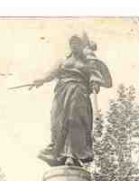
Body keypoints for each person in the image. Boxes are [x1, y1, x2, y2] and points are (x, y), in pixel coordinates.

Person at [33, 33, 112, 167]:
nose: (74, 46)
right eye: (72, 43)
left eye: (77, 43)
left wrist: (95, 82)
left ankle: (72, 154)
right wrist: (41, 80)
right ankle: (56, 152)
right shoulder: (63, 61)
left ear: (82, 46)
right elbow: (52, 73)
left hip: (78, 92)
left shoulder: (88, 62)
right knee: (57, 121)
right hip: (62, 92)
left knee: (74, 121)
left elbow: (97, 76)